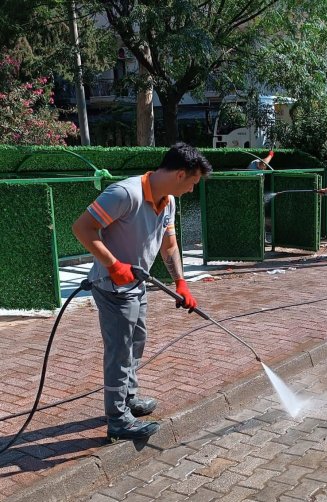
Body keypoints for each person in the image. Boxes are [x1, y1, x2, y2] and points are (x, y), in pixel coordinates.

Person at [72, 142, 213, 441]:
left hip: (137, 285)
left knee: (137, 342)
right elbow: (82, 228)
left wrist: (181, 282)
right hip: (111, 287)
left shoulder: (169, 202)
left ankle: (128, 399)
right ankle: (118, 419)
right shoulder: (125, 194)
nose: (191, 190)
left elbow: (169, 244)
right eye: (192, 183)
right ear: (179, 174)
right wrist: (112, 265)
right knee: (120, 351)